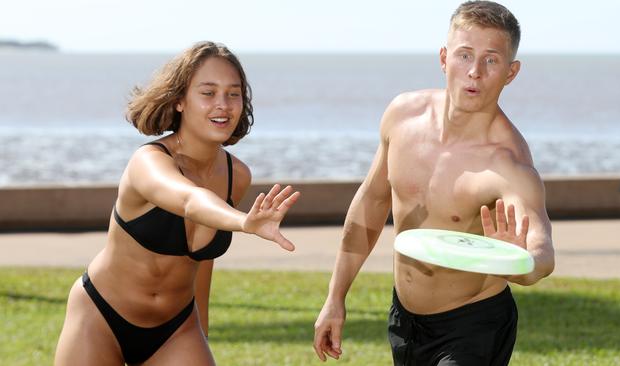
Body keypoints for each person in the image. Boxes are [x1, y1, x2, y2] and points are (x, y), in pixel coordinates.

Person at [313, 1, 554, 365]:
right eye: (464, 55)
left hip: (473, 328)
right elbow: (372, 203)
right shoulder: (402, 116)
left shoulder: (507, 164)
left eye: (491, 60)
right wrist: (335, 297)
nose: (474, 71)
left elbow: (543, 253)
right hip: (405, 321)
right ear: (444, 58)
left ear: (511, 72)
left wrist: (517, 262)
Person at [54, 41, 300, 365]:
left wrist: (203, 331)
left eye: (233, 93)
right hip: (102, 316)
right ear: (181, 100)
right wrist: (242, 222)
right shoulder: (148, 162)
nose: (223, 105)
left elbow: (201, 264)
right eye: (208, 93)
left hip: (177, 327)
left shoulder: (235, 174)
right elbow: (189, 199)